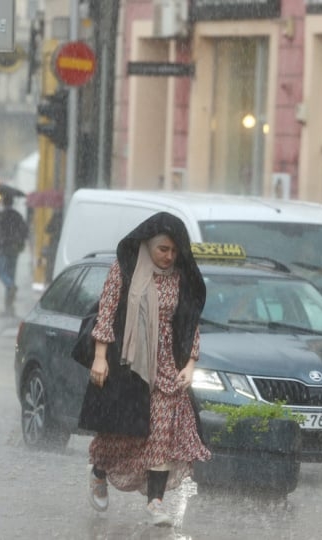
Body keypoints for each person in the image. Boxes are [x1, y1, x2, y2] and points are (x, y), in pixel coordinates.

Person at [81, 212, 210, 526]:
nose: (168, 257)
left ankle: (155, 503)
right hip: (128, 362)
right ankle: (99, 472)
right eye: (162, 249)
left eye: (174, 251)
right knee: (123, 433)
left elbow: (190, 322)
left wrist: (190, 363)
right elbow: (106, 313)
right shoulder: (124, 270)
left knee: (163, 434)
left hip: (167, 364)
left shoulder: (180, 277)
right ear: (148, 244)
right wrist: (100, 357)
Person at [0, 193, 28, 316]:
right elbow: (25, 231)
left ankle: (11, 288)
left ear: (3, 203)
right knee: (11, 274)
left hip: (3, 247)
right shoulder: (17, 215)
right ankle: (8, 304)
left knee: (2, 273)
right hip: (14, 248)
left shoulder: (1, 215)